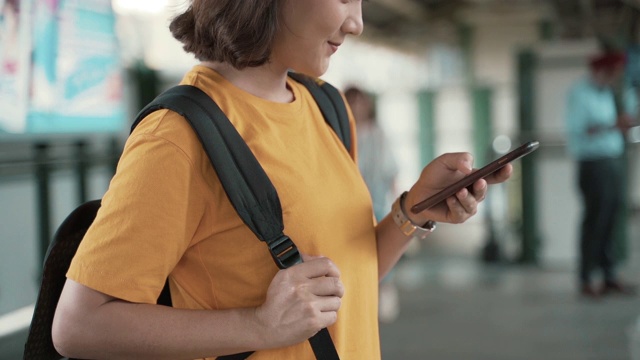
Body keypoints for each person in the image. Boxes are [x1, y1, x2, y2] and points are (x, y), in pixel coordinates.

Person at [51, 1, 512, 359]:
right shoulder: (177, 137)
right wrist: (258, 325)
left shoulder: (327, 107)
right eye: (347, 1)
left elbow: (345, 276)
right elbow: (79, 326)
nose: (357, 23)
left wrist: (410, 213)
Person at [565, 50, 638, 298]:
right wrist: (613, 125)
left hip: (612, 160)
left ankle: (608, 275)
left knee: (610, 219)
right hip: (592, 164)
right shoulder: (580, 93)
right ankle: (586, 278)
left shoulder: (609, 93)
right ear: (602, 71)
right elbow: (579, 129)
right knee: (594, 222)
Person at [345, 86, 401, 323]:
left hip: (375, 199)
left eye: (361, 102)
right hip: (346, 202)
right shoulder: (340, 130)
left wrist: (397, 199)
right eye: (353, 102)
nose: (358, 107)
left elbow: (390, 169)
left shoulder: (378, 134)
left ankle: (384, 289)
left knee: (380, 246)